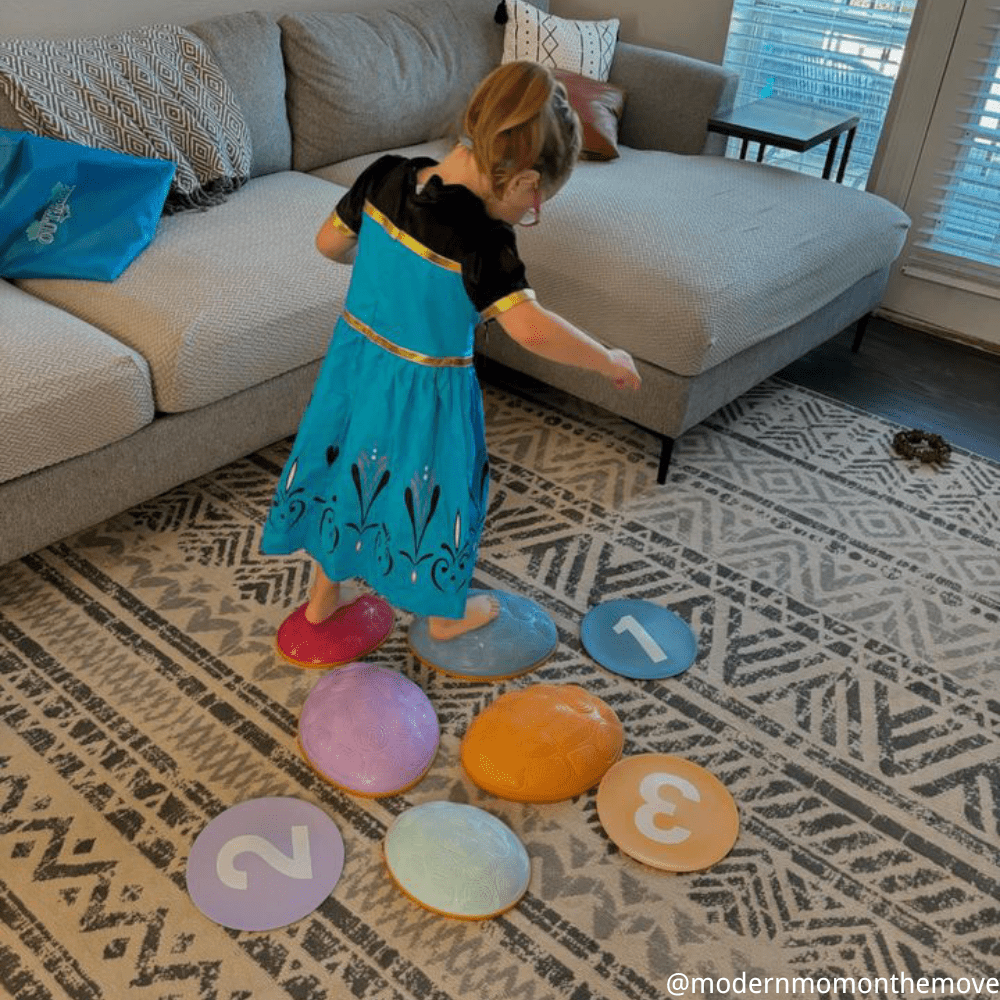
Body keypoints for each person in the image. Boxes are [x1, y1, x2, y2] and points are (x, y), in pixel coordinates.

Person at [260, 60, 641, 654]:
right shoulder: (483, 242)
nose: (527, 216)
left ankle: (322, 600)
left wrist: (387, 282)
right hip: (426, 392)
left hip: (354, 368)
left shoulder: (385, 176)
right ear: (525, 182)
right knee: (442, 493)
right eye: (536, 205)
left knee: (345, 470)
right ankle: (444, 614)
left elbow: (329, 243)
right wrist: (607, 358)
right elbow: (533, 330)